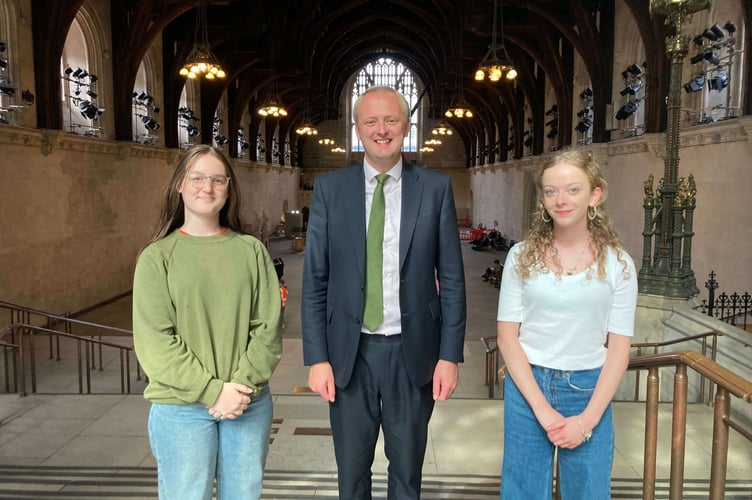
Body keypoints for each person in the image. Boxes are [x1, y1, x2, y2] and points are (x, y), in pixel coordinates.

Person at [301, 85, 466, 500]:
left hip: (413, 354)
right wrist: (317, 357)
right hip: (349, 354)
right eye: (370, 121)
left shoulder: (435, 187)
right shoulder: (329, 189)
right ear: (357, 130)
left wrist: (449, 355)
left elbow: (452, 278)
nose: (381, 129)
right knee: (351, 474)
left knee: (407, 473)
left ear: (407, 126)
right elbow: (315, 279)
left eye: (391, 119)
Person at [132, 144, 283, 500]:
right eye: (196, 178)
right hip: (181, 407)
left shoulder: (251, 251)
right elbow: (156, 342)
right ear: (179, 186)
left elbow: (268, 328)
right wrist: (214, 391)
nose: (207, 188)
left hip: (248, 401)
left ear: (229, 189)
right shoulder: (157, 258)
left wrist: (239, 388)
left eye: (218, 180)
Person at [496, 150, 637, 499]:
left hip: (589, 387)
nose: (561, 200)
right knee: (523, 491)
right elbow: (506, 337)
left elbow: (619, 348)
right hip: (528, 385)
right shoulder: (520, 255)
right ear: (542, 199)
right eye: (550, 191)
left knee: (588, 491)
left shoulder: (618, 263)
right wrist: (542, 411)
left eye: (573, 190)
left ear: (595, 195)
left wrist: (586, 422)